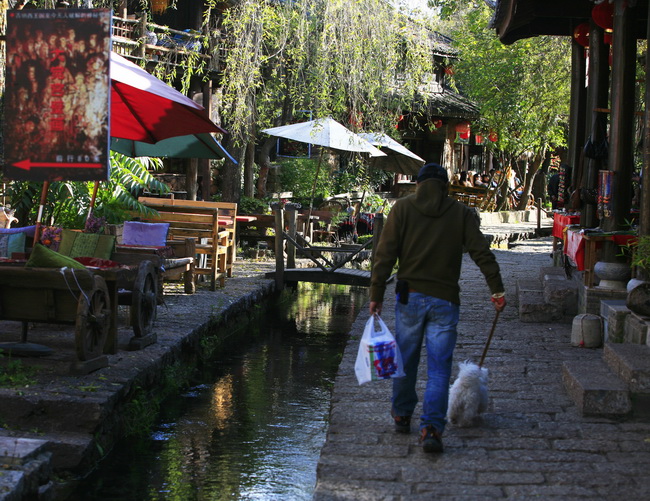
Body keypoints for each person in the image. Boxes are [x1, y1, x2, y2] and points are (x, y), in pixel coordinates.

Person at [368, 163, 506, 453]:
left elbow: (385, 254)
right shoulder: (461, 214)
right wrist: (496, 289)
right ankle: (431, 428)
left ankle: (402, 415)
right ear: (445, 187)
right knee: (439, 370)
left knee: (404, 360)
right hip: (445, 300)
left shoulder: (402, 209)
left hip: (409, 299)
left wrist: (376, 292)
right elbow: (482, 252)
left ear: (418, 184)